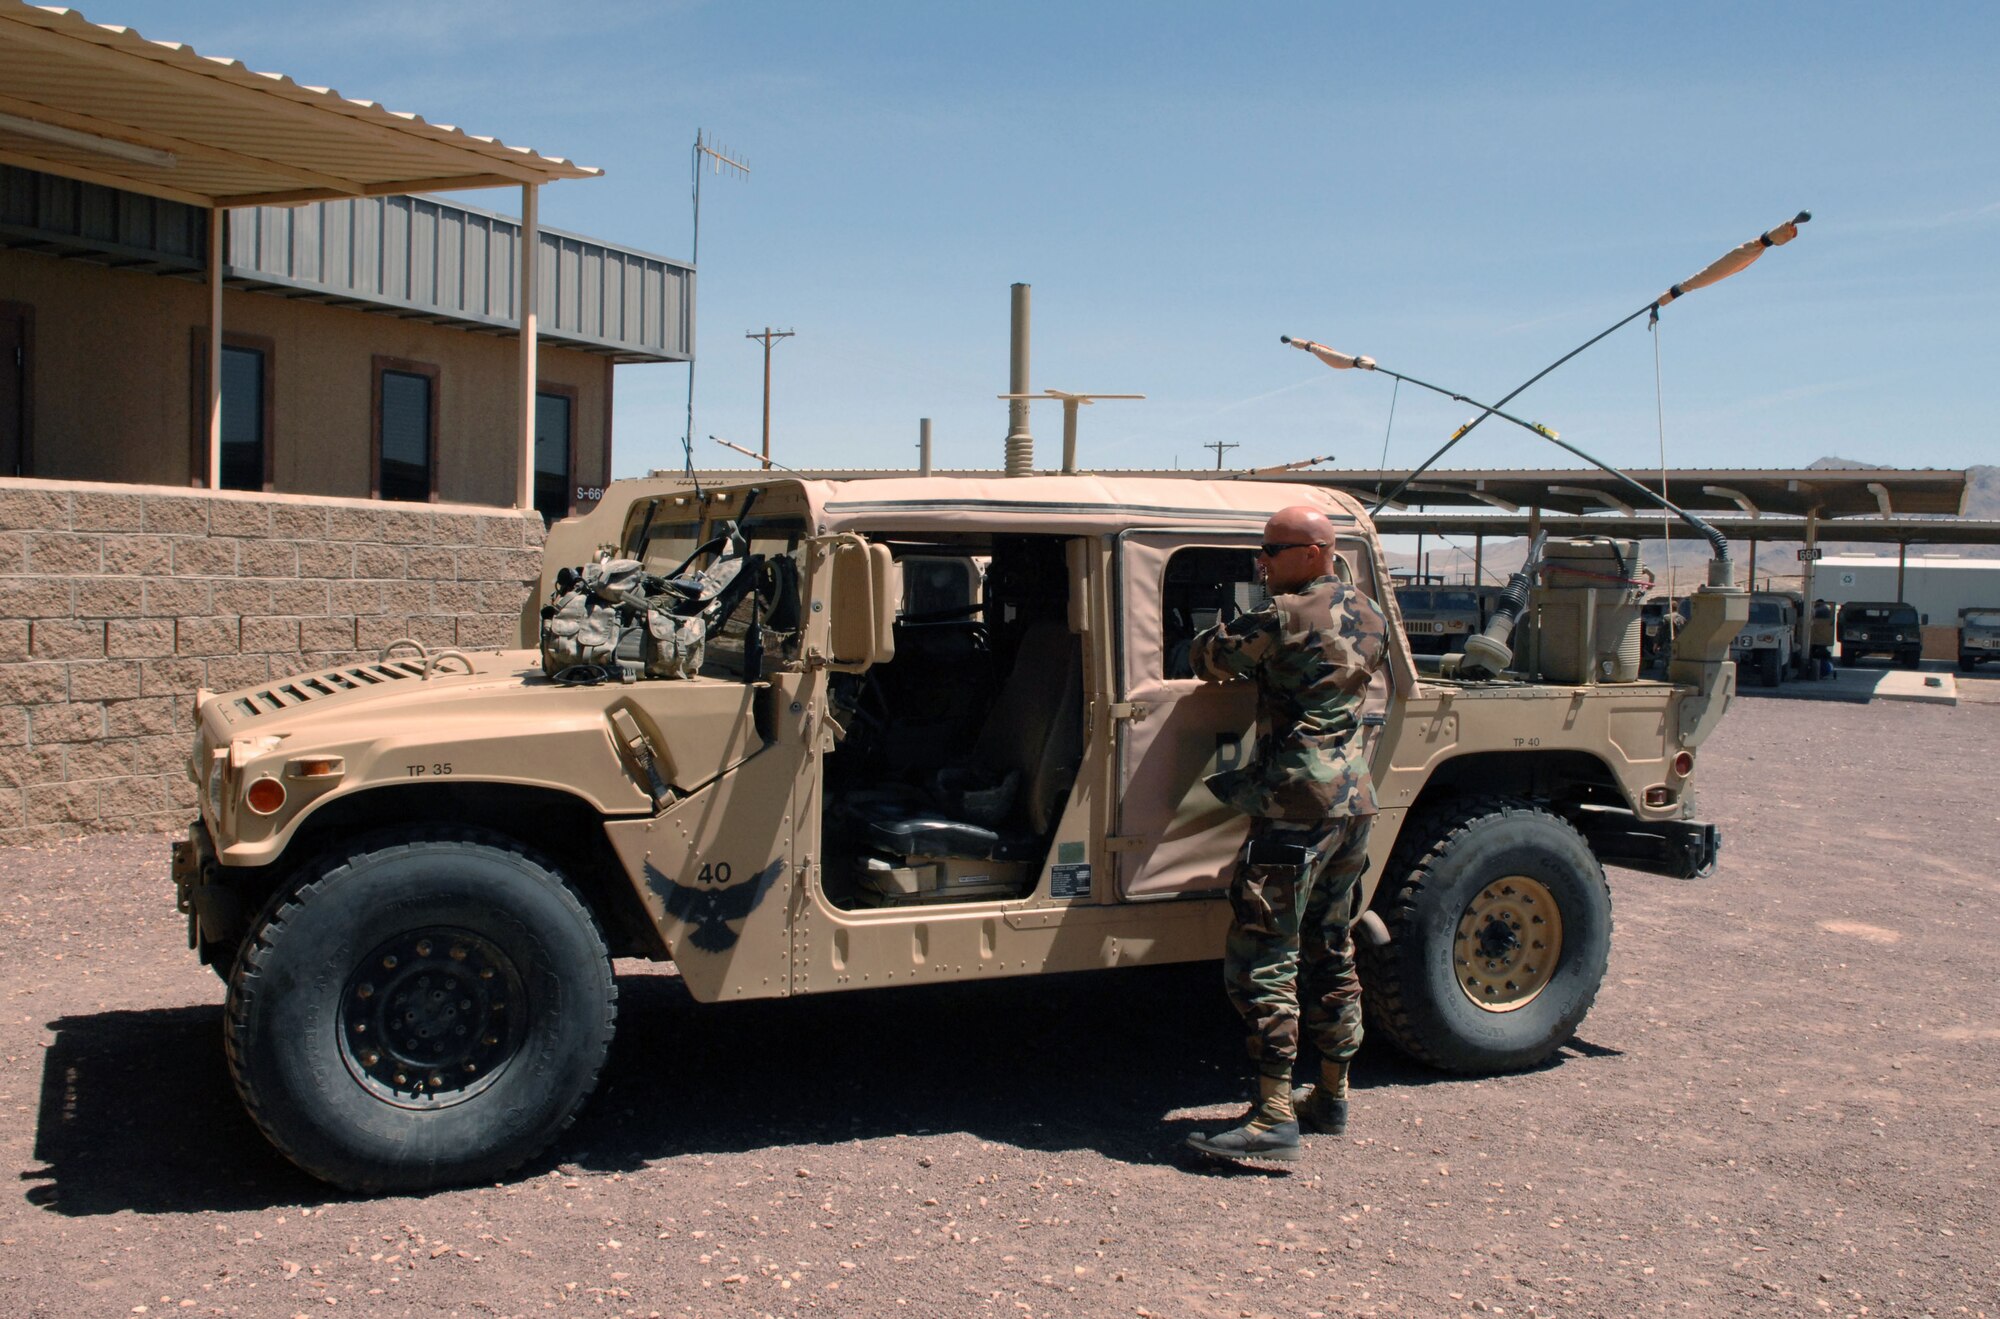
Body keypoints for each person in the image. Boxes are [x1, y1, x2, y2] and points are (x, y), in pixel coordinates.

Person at [1181, 505, 1389, 1165]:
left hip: (1295, 806)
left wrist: (1221, 623)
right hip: (1351, 803)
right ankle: (1331, 1095)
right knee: (1331, 947)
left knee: (1264, 956)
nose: (1261, 561)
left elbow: (1208, 658)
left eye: (1272, 549)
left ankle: (1273, 1113)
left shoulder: (1280, 617)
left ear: (1314, 551)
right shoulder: (1374, 617)